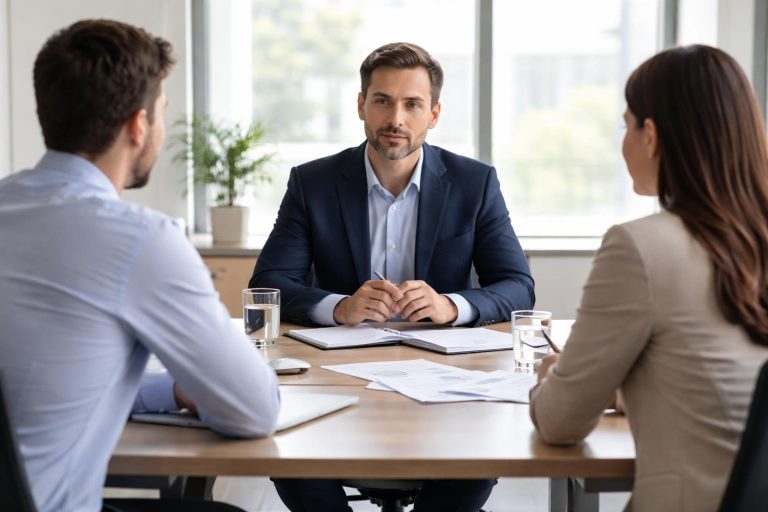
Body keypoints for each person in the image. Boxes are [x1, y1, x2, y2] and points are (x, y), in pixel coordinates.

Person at [0, 19, 280, 512]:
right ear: (138, 125)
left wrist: (169, 390)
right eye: (163, 112)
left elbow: (47, 387)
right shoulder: (140, 240)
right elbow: (254, 411)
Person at [252, 41, 530, 512]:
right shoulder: (312, 182)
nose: (395, 118)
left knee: (482, 452)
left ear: (434, 114)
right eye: (382, 100)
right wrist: (338, 306)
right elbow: (271, 283)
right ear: (361, 105)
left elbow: (517, 284)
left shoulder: (474, 182)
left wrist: (452, 305)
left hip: (449, 380)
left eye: (412, 104)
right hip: (336, 376)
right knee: (286, 450)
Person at [529, 45, 768, 512]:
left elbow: (560, 422)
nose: (624, 141)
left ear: (651, 135)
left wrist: (554, 377)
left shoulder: (641, 246)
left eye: (627, 125)